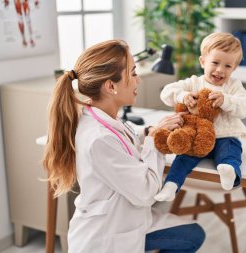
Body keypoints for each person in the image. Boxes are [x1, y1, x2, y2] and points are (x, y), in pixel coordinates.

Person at [43, 39, 205, 252]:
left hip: (126, 221)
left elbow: (120, 136)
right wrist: (154, 141)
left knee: (192, 234)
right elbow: (146, 192)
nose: (138, 81)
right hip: (106, 239)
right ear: (111, 86)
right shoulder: (98, 139)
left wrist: (147, 131)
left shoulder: (95, 116)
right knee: (191, 236)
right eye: (133, 73)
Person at [155, 32, 246, 201]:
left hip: (225, 137)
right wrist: (182, 96)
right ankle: (171, 186)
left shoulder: (233, 86)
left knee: (231, 151)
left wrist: (226, 101)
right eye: (215, 63)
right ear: (203, 61)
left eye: (228, 66)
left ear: (234, 68)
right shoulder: (193, 82)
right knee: (182, 159)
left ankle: (228, 170)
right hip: (196, 139)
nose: (220, 70)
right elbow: (166, 93)